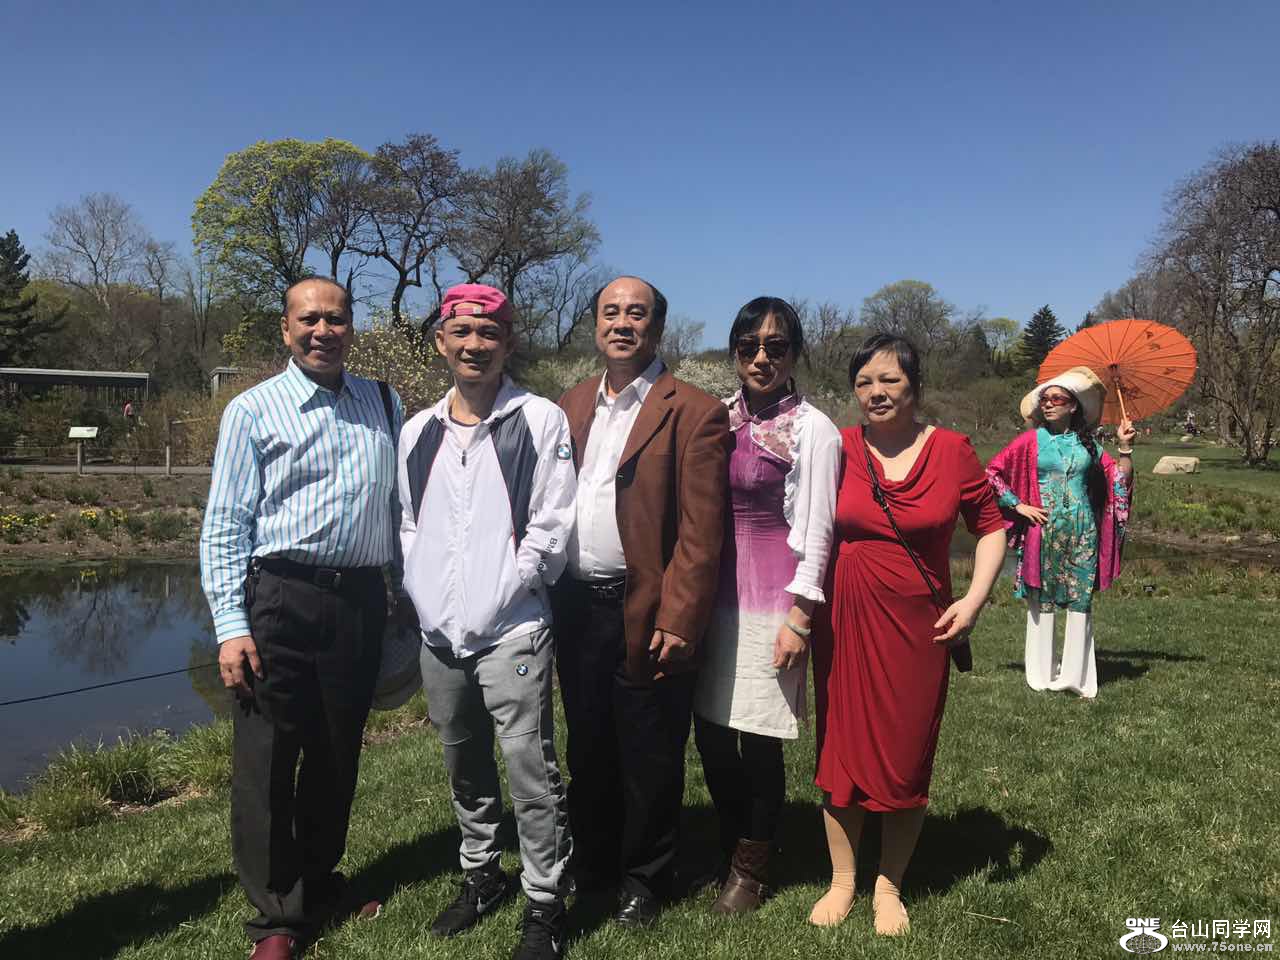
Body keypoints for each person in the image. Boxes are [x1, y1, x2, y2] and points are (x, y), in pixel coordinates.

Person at [200, 276, 405, 960]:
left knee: (336, 754)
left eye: (336, 319)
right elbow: (225, 524)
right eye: (309, 319)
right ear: (286, 329)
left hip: (358, 601)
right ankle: (275, 917)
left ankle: (319, 883)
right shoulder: (252, 410)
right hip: (279, 599)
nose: (324, 331)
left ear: (352, 327)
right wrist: (231, 625)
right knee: (267, 760)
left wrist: (405, 593)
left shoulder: (385, 402)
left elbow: (399, 510)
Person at [398, 284, 576, 960]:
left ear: (508, 343)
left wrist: (509, 586)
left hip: (513, 629)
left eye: (489, 333)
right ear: (441, 340)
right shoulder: (418, 431)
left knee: (530, 768)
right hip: (439, 635)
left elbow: (553, 522)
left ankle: (545, 900)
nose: (474, 344)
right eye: (462, 332)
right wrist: (424, 595)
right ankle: (481, 874)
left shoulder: (538, 419)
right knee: (462, 760)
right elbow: (409, 522)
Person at [809, 334, 1006, 935]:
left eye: (889, 380)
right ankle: (843, 880)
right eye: (864, 382)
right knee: (839, 750)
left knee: (906, 752)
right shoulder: (838, 447)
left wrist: (973, 601)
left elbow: (992, 526)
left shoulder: (952, 451)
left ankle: (889, 885)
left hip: (921, 627)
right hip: (845, 620)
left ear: (915, 386)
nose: (876, 392)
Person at [553, 275, 730, 926]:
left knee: (649, 753)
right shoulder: (570, 403)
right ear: (596, 324)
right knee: (588, 746)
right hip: (576, 607)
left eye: (637, 313)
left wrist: (680, 617)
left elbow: (701, 532)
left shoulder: (695, 411)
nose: (622, 323)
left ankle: (646, 879)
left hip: (648, 610)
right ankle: (595, 864)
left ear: (656, 327)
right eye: (611, 312)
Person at [691, 297, 840, 913]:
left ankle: (752, 867)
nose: (760, 358)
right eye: (748, 345)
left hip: (771, 605)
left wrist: (799, 617)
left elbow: (820, 529)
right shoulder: (717, 418)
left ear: (794, 354)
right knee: (710, 733)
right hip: (711, 600)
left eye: (775, 347)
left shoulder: (813, 429)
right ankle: (729, 841)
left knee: (758, 739)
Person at [985, 366, 1136, 699]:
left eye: (1057, 399)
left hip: (1083, 532)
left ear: (1073, 406)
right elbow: (992, 473)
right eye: (1045, 399)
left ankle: (1075, 677)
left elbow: (1118, 481)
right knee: (1044, 598)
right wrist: (1018, 505)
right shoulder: (1031, 440)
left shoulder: (1089, 445)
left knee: (1080, 599)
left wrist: (1125, 448)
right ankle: (1042, 673)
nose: (1048, 403)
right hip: (1043, 531)